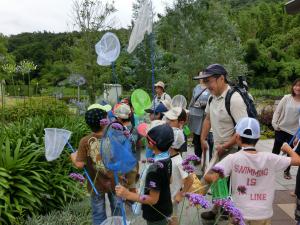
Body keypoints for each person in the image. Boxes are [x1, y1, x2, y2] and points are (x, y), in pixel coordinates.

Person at [204, 117, 300, 225]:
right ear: (258, 138)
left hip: (239, 214)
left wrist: (212, 176)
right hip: (263, 214)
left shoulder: (233, 158)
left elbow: (210, 177)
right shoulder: (270, 158)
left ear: (237, 137)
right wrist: (288, 148)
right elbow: (297, 160)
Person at [198, 64, 248, 220]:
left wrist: (225, 146)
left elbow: (243, 130)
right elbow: (207, 118)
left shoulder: (234, 99)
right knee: (218, 181)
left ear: (221, 78)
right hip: (218, 146)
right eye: (204, 82)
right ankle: (219, 209)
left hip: (232, 148)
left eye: (208, 81)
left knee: (215, 179)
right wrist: (202, 138)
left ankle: (221, 210)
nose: (206, 86)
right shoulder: (212, 97)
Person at [115, 122, 174, 225]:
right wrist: (147, 187)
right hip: (166, 206)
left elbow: (153, 200)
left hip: (156, 215)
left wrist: (127, 194)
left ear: (151, 144)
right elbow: (169, 180)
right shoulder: (167, 157)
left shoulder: (154, 169)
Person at [70, 106, 121, 225]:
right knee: (117, 210)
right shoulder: (114, 136)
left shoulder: (85, 141)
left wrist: (73, 156)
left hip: (96, 185)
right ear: (104, 122)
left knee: (98, 214)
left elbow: (79, 164)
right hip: (115, 182)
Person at [272, 78, 300, 179]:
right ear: (293, 86)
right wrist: (274, 124)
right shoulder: (286, 98)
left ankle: (286, 171)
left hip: (294, 132)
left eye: (299, 86)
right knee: (276, 149)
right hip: (281, 129)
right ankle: (270, 168)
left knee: (290, 152)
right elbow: (277, 112)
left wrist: (298, 135)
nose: (297, 88)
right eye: (296, 85)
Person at [169, 127, 193, 225]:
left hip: (172, 198)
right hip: (167, 197)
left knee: (173, 220)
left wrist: (181, 194)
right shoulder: (170, 158)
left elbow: (190, 179)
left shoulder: (179, 161)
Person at [189, 73, 213, 160]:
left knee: (205, 137)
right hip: (195, 115)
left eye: (203, 76)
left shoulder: (210, 87)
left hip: (205, 116)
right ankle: (197, 157)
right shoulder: (196, 87)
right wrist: (189, 110)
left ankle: (206, 158)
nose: (201, 78)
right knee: (196, 137)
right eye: (200, 76)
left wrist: (204, 104)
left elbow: (213, 100)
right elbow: (192, 100)